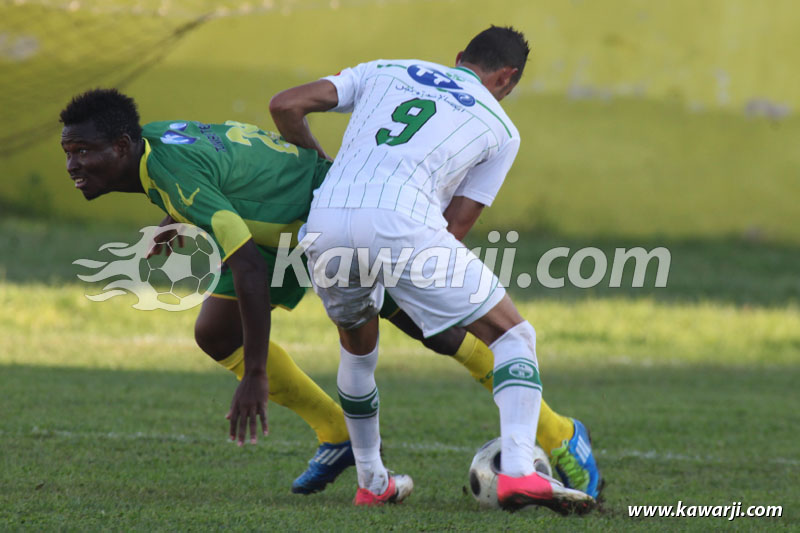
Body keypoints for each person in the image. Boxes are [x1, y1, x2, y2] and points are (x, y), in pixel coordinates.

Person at [59, 87, 600, 501]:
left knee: (431, 330)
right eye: (69, 153)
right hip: (273, 225)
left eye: (83, 152)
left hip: (322, 217)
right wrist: (176, 216)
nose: (73, 166)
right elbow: (220, 168)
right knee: (216, 332)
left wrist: (255, 375)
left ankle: (557, 432)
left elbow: (245, 265)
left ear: (123, 146)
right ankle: (336, 431)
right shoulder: (156, 141)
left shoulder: (164, 165)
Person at [269, 26, 597, 512]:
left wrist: (325, 164)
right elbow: (455, 225)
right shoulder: (502, 127)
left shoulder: (384, 69)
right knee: (513, 337)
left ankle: (371, 482)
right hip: (403, 225)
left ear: (460, 56)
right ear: (507, 78)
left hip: (326, 223)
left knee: (357, 348)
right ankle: (520, 474)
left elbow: (284, 105)